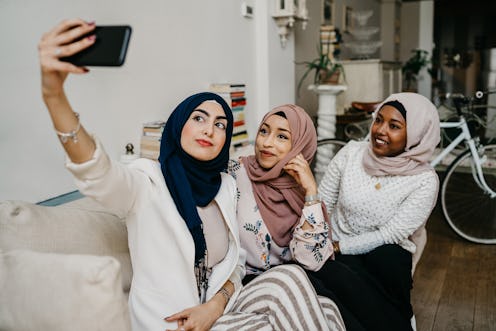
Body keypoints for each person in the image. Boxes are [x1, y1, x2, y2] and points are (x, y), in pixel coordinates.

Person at [39, 19, 343, 331]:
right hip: (174, 320)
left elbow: (235, 265)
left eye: (221, 124)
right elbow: (96, 171)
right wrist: (54, 95)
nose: (210, 129)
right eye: (199, 118)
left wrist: (215, 305)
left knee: (314, 297)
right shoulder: (147, 182)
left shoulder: (224, 186)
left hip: (217, 308)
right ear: (178, 124)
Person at [310, 92, 441, 331]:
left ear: (415, 134)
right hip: (337, 239)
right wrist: (320, 240)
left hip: (385, 251)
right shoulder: (351, 153)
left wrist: (341, 247)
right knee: (331, 275)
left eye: (394, 126)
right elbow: (323, 203)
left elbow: (390, 235)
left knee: (386, 260)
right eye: (378, 120)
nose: (380, 130)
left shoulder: (424, 180)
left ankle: (398, 318)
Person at [228, 104, 345, 330]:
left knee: (330, 307)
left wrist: (311, 192)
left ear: (300, 145)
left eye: (282, 136)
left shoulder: (299, 189)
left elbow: (310, 260)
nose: (267, 142)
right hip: (244, 281)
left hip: (292, 280)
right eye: (264, 131)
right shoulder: (234, 172)